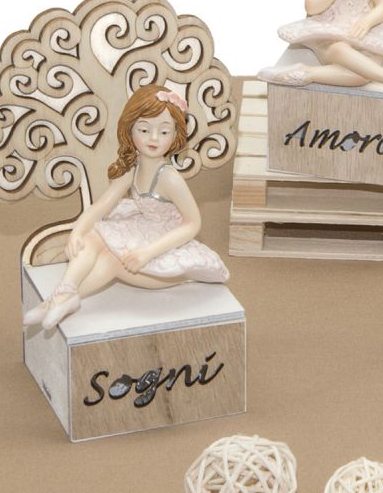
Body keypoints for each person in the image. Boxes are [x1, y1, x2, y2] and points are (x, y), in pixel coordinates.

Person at [23, 84, 229, 330]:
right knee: (93, 235)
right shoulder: (133, 168)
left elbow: (193, 223)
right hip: (145, 228)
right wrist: (78, 231)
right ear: (130, 130)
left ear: (176, 135)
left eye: (164, 131)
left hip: (165, 249)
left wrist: (147, 253)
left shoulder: (169, 178)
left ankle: (56, 301)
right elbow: (102, 206)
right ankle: (62, 296)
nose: (154, 138)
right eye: (144, 129)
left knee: (113, 260)